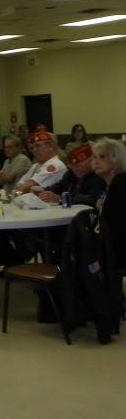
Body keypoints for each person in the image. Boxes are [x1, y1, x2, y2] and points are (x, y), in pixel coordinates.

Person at [92, 138, 126, 322]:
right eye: (94, 157)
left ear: (116, 159)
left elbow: (115, 227)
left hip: (118, 248)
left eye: (102, 157)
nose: (95, 162)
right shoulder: (107, 184)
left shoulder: (120, 186)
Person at [37, 143, 105, 207]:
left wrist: (60, 198)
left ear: (92, 162)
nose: (74, 169)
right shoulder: (71, 172)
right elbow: (59, 186)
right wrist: (41, 191)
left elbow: (92, 200)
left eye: (78, 166)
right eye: (72, 166)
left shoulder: (100, 176)